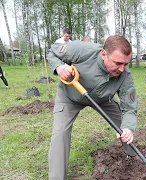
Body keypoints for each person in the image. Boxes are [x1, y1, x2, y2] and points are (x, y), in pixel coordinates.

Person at [47, 35, 138, 179]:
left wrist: (128, 128)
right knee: (60, 134)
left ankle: (133, 158)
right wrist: (59, 67)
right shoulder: (81, 49)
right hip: (70, 95)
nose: (122, 69)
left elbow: (130, 107)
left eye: (126, 64)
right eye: (118, 63)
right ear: (103, 54)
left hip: (102, 99)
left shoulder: (125, 76)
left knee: (124, 125)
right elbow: (52, 52)